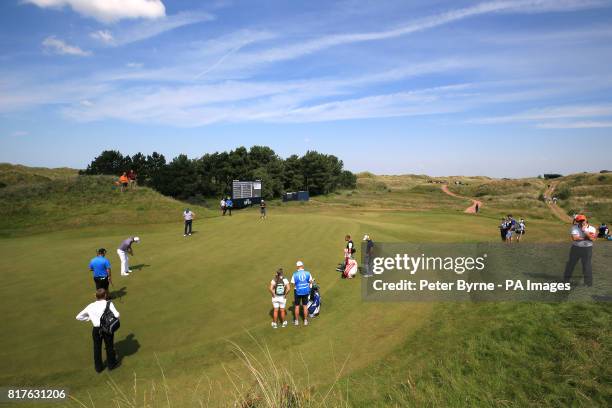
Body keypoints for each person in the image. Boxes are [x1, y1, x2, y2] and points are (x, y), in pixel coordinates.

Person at [76, 288, 120, 373]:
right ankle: (111, 365)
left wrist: (89, 318)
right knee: (109, 346)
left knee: (97, 348)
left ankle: (98, 368)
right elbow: (117, 315)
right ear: (105, 295)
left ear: (96, 296)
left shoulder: (90, 306)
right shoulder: (109, 304)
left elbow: (78, 317)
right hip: (107, 328)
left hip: (96, 329)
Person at [563, 214, 596, 287]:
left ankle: (588, 283)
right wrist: (586, 238)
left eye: (583, 220)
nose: (582, 222)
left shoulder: (592, 228)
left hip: (587, 249)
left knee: (587, 266)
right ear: (577, 221)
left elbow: (592, 239)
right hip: (575, 249)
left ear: (586, 219)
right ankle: (566, 280)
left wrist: (584, 231)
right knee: (570, 264)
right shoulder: (574, 228)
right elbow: (575, 238)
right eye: (580, 221)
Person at [291, 261, 313, 326]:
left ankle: (296, 321)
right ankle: (305, 321)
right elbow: (311, 282)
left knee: (297, 306)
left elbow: (293, 283)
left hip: (297, 291)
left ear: (297, 267)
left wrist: (296, 287)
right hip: (306, 290)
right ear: (302, 266)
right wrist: (309, 287)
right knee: (305, 306)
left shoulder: (295, 274)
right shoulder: (307, 273)